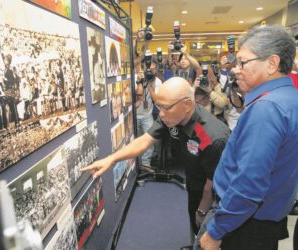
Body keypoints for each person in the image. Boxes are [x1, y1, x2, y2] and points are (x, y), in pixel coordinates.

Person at [196, 25, 298, 250]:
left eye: (242, 62)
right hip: (262, 221)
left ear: (272, 63)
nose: (235, 70)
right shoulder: (293, 100)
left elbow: (249, 185)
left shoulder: (267, 109)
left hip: (241, 226)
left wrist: (217, 231)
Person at [81, 77, 230, 248]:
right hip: (194, 184)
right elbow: (144, 141)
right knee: (195, 226)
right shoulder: (171, 117)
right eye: (158, 106)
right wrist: (112, 158)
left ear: (187, 105)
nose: (160, 113)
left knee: (207, 238)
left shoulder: (209, 135)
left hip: (215, 199)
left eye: (165, 108)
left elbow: (211, 184)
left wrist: (203, 210)